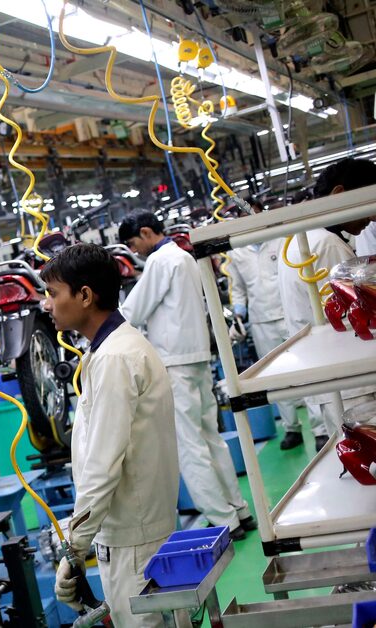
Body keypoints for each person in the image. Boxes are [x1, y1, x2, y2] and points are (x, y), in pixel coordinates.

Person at [40, 243, 177, 628]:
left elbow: (103, 465)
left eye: (53, 293)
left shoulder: (116, 359)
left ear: (85, 296)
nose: (47, 304)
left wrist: (73, 548)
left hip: (133, 541)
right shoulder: (111, 350)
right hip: (133, 531)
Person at [118, 212, 255, 540]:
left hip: (174, 362)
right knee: (210, 436)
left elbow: (133, 311)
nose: (134, 251)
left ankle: (223, 520)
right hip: (197, 357)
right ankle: (239, 510)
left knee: (189, 445)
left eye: (133, 243)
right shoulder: (184, 257)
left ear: (146, 232)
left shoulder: (160, 261)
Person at [278, 158, 376, 448]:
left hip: (336, 380)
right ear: (339, 194)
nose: (372, 217)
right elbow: (354, 318)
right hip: (353, 384)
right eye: (368, 202)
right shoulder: (326, 244)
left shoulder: (307, 239)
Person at [228, 237, 317, 449]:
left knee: (307, 373)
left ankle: (320, 429)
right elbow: (238, 288)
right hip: (260, 320)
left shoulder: (282, 240)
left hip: (289, 313)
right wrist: (238, 314)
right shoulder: (236, 251)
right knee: (274, 377)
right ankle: (292, 429)